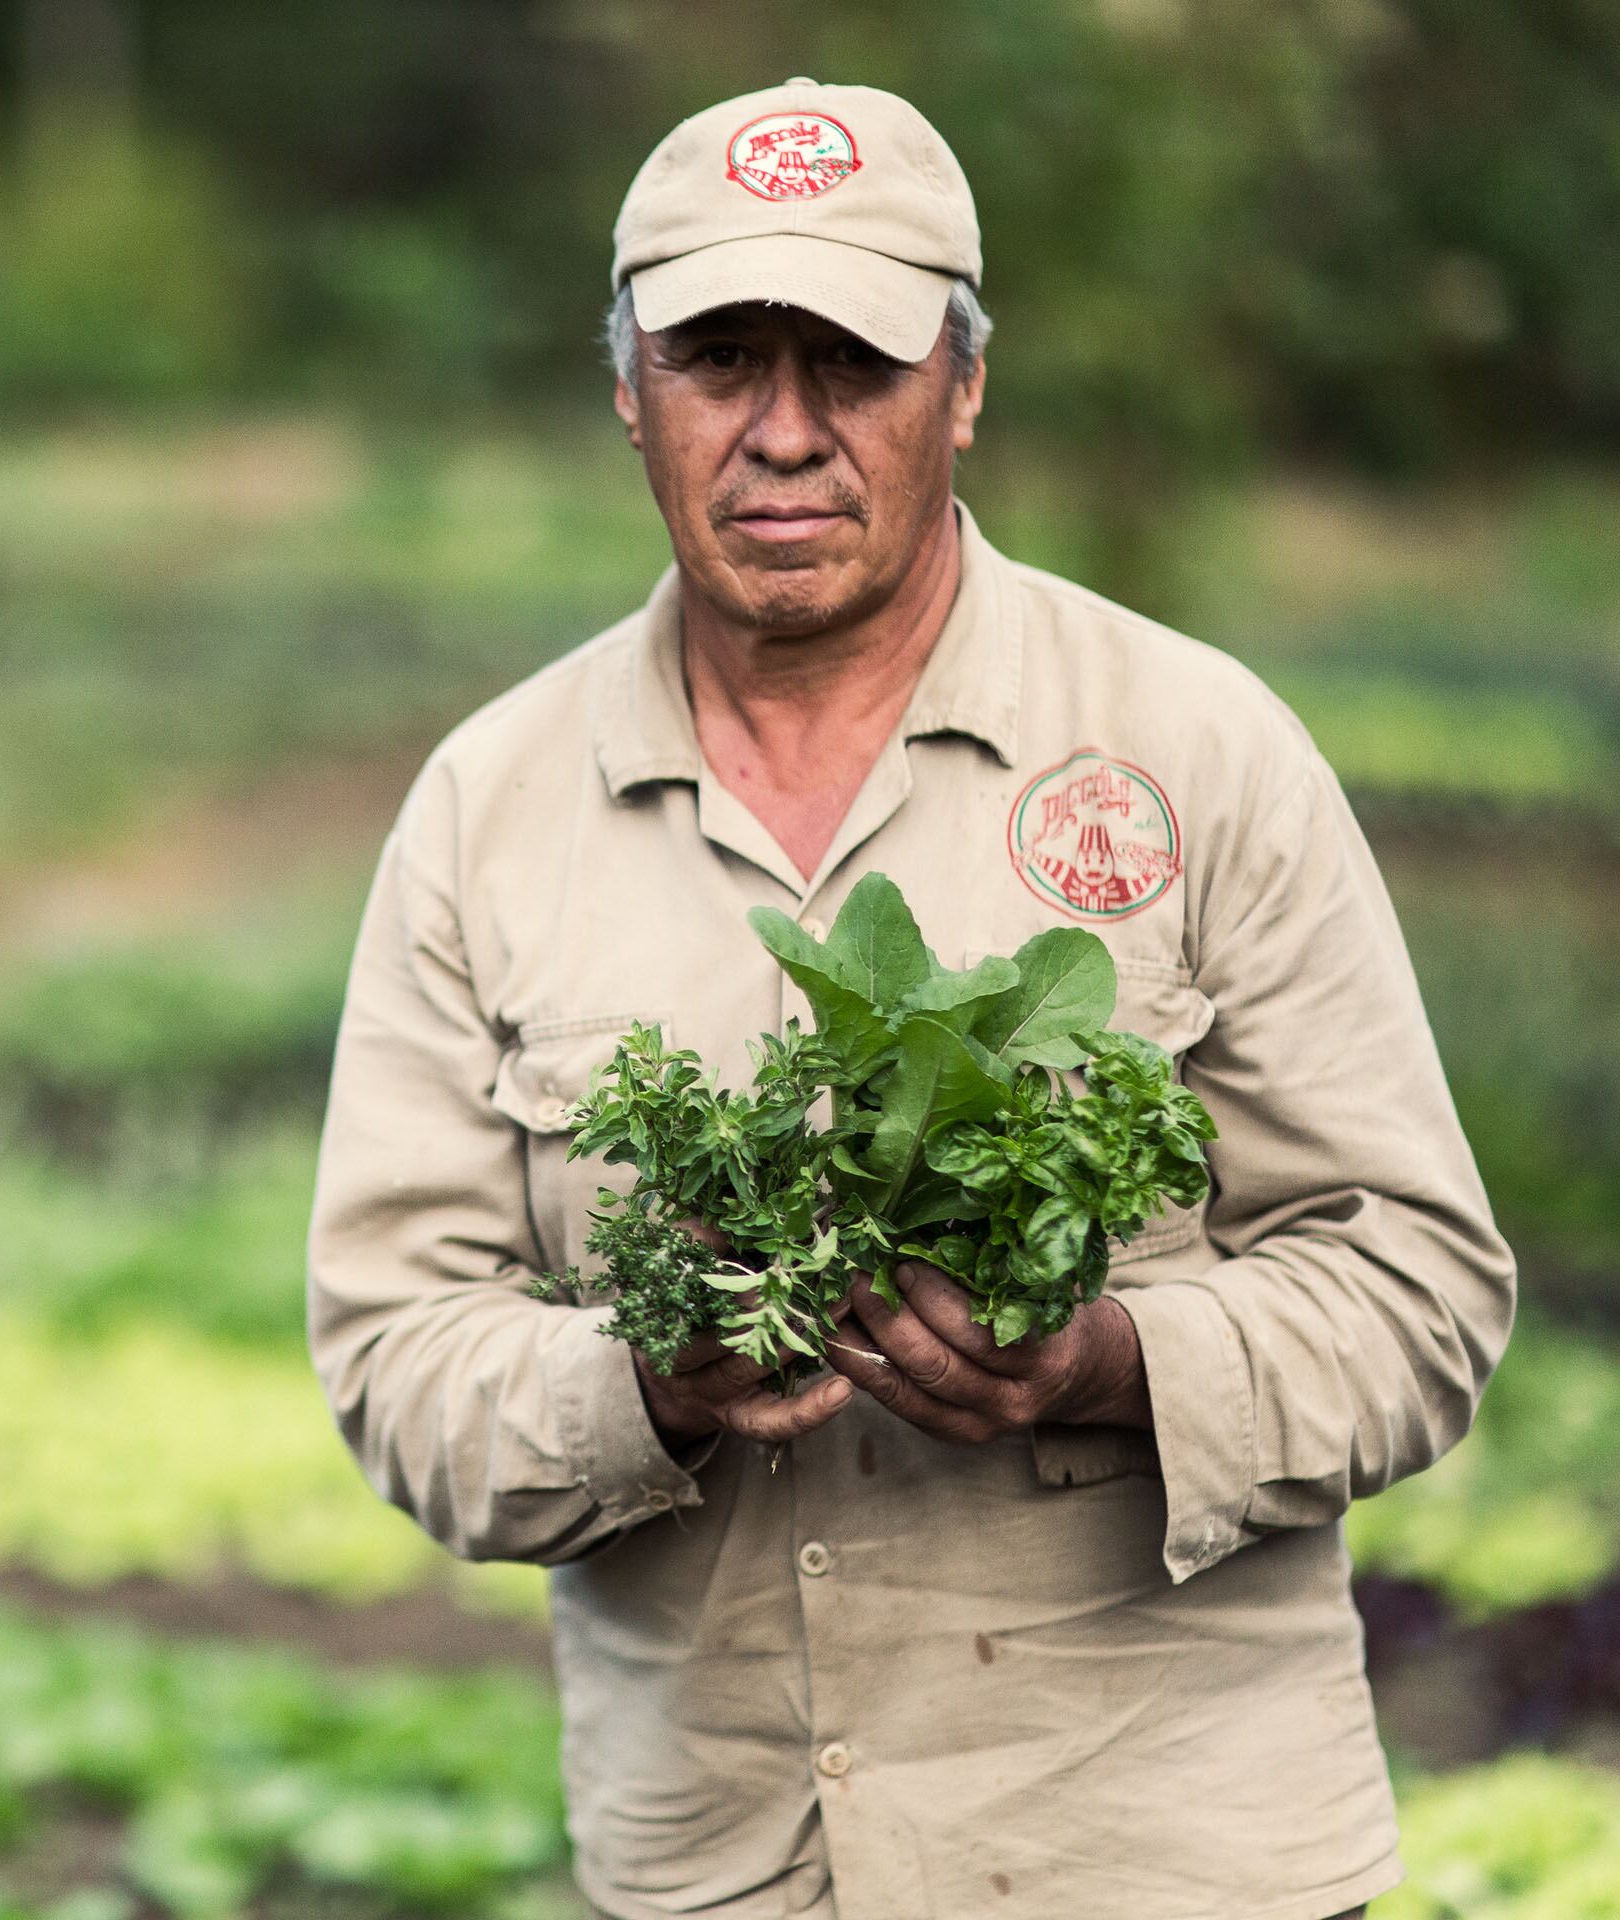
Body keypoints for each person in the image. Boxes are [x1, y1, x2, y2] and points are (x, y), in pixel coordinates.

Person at [303, 77, 1515, 1920]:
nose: (783, 434)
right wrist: (647, 1382)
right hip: (730, 1866)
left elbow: (1420, 1289)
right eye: (719, 361)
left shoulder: (1197, 749)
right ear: (629, 391)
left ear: (961, 388)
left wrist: (1107, 1364)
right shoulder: (493, 806)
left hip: (1164, 1854)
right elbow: (398, 1359)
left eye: (851, 366)